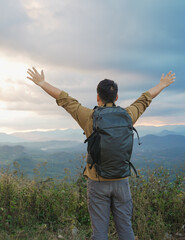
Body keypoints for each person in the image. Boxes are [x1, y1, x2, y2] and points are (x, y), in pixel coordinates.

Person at [27, 67, 175, 240]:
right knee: (126, 229)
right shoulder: (128, 114)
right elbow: (145, 99)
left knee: (99, 232)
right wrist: (162, 84)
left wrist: (42, 83)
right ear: (117, 97)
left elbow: (64, 99)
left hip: (97, 183)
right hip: (121, 181)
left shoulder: (89, 116)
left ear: (98, 97)